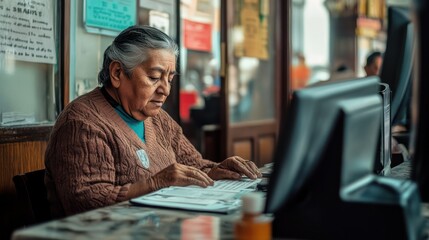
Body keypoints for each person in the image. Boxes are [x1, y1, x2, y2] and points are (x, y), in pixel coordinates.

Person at [44, 25, 261, 218]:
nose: (165, 90)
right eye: (154, 77)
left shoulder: (159, 119)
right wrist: (155, 183)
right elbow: (86, 205)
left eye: (170, 79)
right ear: (117, 73)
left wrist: (218, 169)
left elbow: (193, 165)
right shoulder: (82, 123)